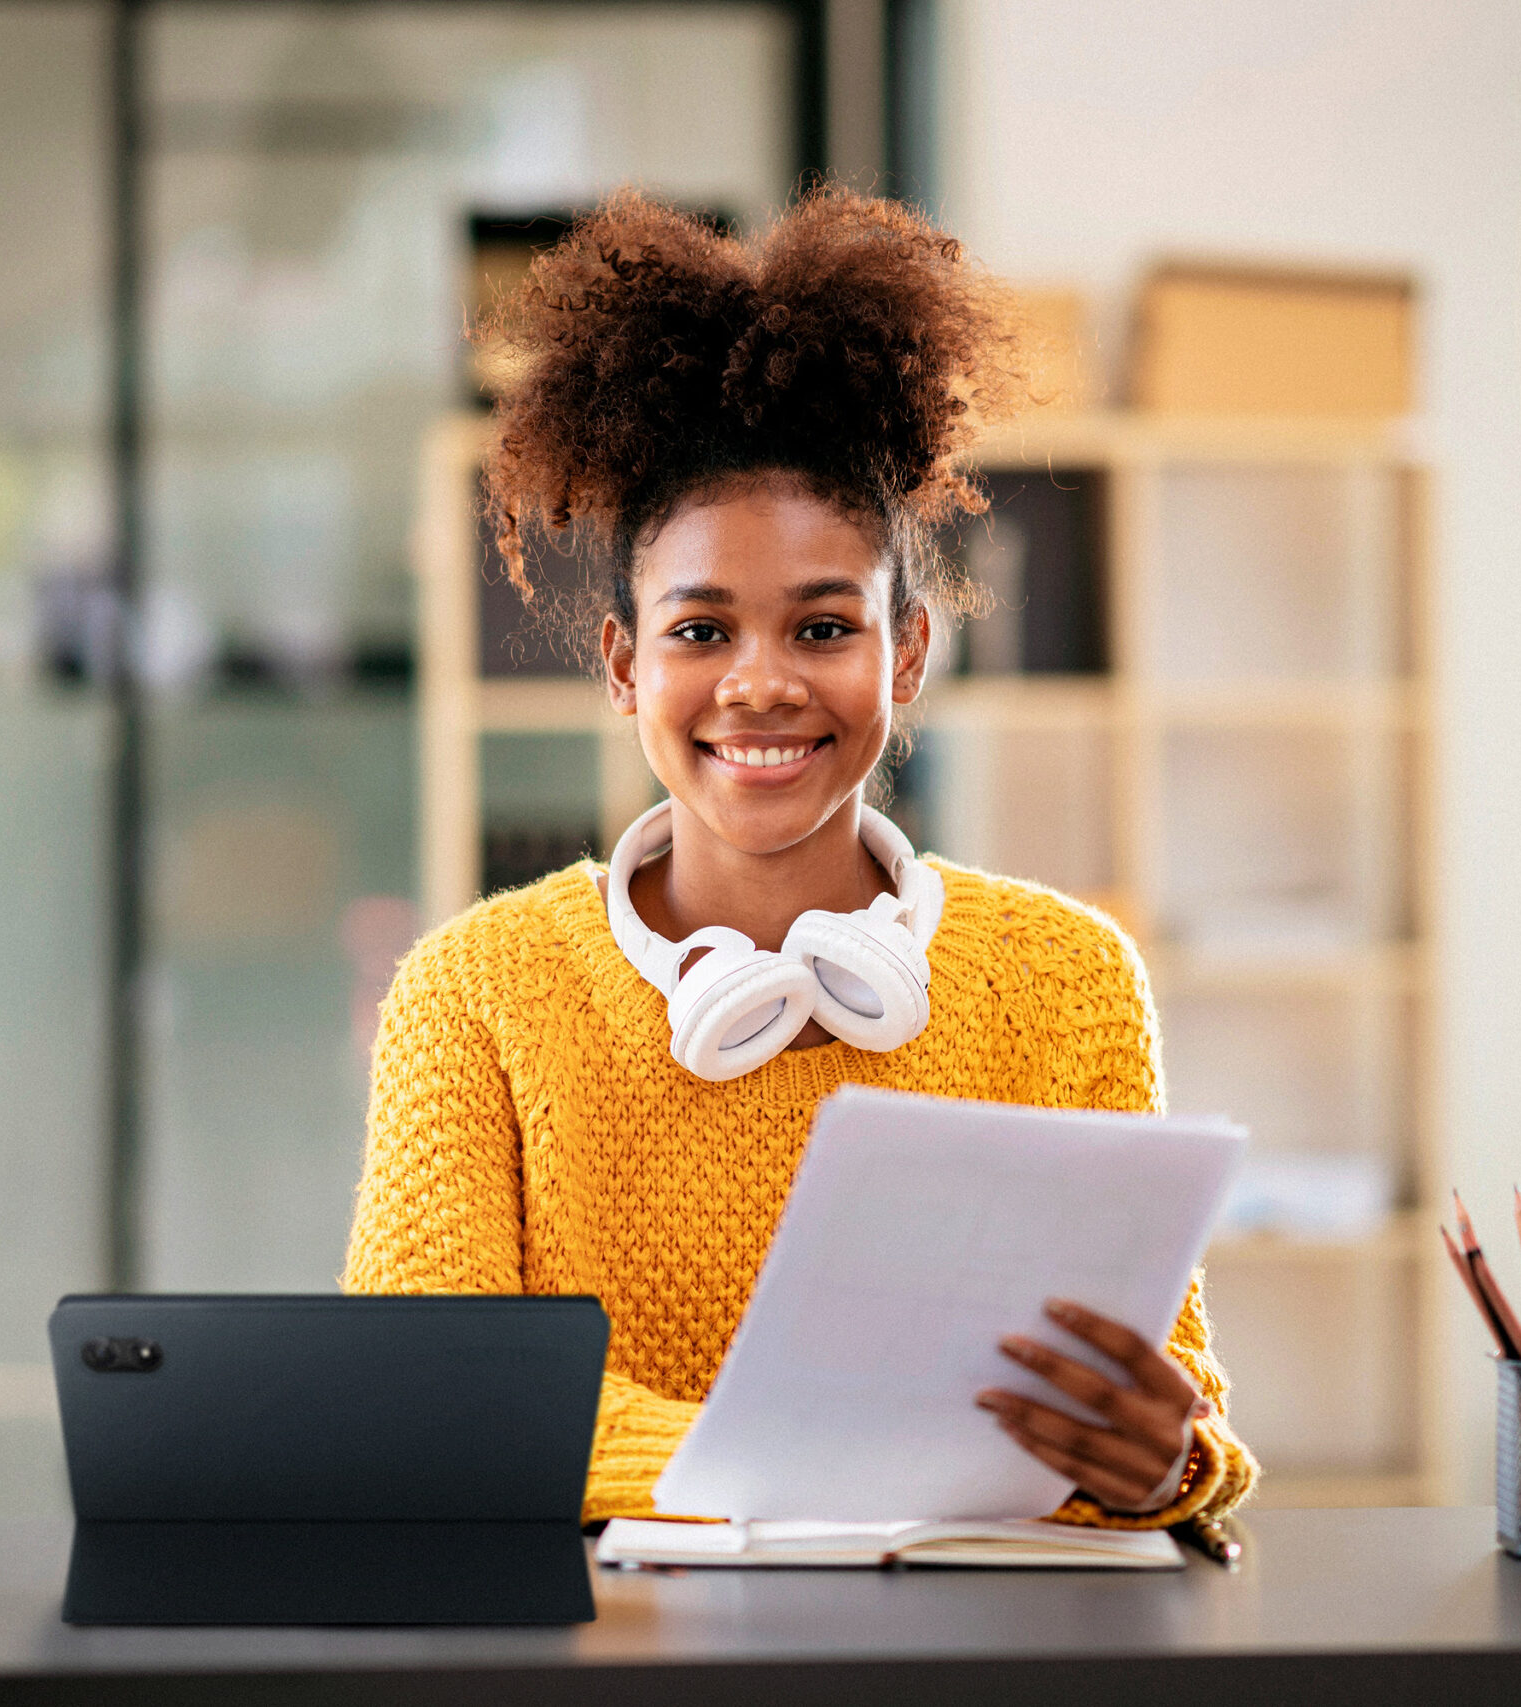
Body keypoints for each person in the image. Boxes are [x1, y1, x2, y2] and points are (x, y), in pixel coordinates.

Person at [343, 186, 1254, 1536]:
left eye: (822, 630)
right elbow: (424, 1397)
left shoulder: (1067, 980)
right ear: (622, 664)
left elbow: (1163, 1401)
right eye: (701, 632)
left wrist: (1166, 1462)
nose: (760, 685)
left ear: (907, 656)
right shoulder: (476, 990)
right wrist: (841, 1459)